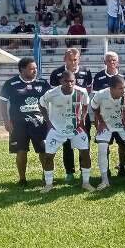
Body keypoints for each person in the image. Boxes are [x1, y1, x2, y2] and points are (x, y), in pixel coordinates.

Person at [0, 57, 51, 186]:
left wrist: (50, 120)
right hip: (18, 124)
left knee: (43, 151)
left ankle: (47, 177)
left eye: (36, 68)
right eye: (31, 68)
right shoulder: (11, 83)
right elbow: (2, 102)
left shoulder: (43, 83)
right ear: (22, 69)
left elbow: (52, 101)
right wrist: (6, 121)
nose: (35, 71)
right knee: (21, 151)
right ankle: (22, 179)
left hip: (39, 124)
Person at [39, 71, 93, 193]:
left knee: (85, 153)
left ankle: (86, 183)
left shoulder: (82, 92)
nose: (69, 83)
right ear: (61, 81)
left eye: (72, 81)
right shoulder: (52, 93)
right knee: (49, 156)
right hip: (56, 129)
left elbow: (85, 105)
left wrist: (82, 119)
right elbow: (41, 104)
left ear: (75, 81)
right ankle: (48, 184)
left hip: (76, 128)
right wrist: (48, 122)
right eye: (66, 81)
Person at [49, 48, 93, 181]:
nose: (73, 62)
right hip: (63, 116)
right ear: (64, 59)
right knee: (67, 143)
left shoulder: (86, 71)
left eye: (75, 59)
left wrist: (82, 114)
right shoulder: (56, 73)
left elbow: (88, 90)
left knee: (84, 143)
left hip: (80, 115)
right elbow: (53, 95)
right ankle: (69, 172)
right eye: (70, 59)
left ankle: (83, 170)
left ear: (79, 59)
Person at [92, 75, 125, 189]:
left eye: (124, 87)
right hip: (106, 123)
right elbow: (94, 107)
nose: (123, 90)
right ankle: (104, 181)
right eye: (120, 88)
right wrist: (100, 122)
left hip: (122, 123)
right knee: (102, 149)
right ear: (111, 88)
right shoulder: (100, 95)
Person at [92, 52, 125, 177]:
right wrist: (98, 122)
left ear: (118, 62)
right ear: (105, 62)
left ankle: (122, 167)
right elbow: (96, 101)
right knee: (104, 144)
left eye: (114, 60)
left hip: (120, 118)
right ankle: (105, 169)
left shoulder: (124, 75)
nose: (111, 62)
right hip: (104, 118)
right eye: (109, 60)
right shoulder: (98, 77)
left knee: (123, 144)